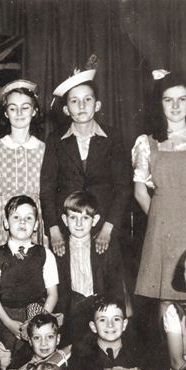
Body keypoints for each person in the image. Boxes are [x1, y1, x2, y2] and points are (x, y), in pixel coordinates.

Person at [41, 62, 131, 259]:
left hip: (104, 226)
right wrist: (54, 229)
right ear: (65, 109)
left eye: (87, 99)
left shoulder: (113, 137)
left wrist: (108, 228)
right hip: (67, 228)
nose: (81, 106)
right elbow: (47, 188)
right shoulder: (55, 140)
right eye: (74, 101)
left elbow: (123, 187)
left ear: (97, 105)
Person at [133, 70, 186, 308]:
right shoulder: (147, 142)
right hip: (162, 226)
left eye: (182, 98)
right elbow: (140, 192)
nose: (175, 106)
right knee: (166, 296)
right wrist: (161, 218)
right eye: (168, 99)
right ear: (160, 102)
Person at [0, 195, 58, 369]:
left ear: (36, 225)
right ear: (6, 223)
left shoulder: (45, 254)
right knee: (9, 365)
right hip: (8, 318)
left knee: (38, 365)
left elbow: (53, 294)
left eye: (28, 218)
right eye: (16, 217)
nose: (22, 222)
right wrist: (8, 323)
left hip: (38, 318)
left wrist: (38, 320)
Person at [55, 191, 125, 350]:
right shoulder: (59, 249)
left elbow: (116, 287)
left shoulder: (105, 248)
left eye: (85, 218)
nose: (79, 224)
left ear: (95, 220)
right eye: (73, 218)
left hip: (99, 311)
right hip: (71, 313)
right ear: (65, 220)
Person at [0, 79, 46, 247]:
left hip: (32, 218)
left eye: (25, 107)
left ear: (34, 111)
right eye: (12, 108)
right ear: (6, 113)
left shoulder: (43, 149)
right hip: (3, 218)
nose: (19, 112)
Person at [70, 298, 140, 370]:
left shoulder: (137, 353)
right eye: (102, 320)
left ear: (124, 324)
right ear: (93, 327)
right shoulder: (83, 355)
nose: (110, 325)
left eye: (116, 319)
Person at [7, 314, 78, 370]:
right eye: (37, 338)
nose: (43, 343)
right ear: (30, 341)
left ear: (58, 339)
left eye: (50, 337)